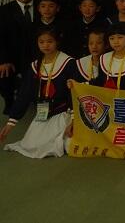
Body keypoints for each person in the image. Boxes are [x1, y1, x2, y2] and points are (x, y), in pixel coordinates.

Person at [0, 28, 76, 158]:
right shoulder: (35, 66)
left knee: (68, 145)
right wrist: (11, 122)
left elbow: (74, 94)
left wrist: (74, 120)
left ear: (57, 42)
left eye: (50, 41)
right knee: (32, 145)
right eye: (41, 42)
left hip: (64, 113)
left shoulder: (68, 63)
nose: (45, 45)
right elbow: (24, 94)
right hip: (43, 113)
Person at [0, 0, 39, 115]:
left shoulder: (43, 7)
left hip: (38, 54)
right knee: (3, 72)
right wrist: (3, 60)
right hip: (13, 56)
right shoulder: (4, 11)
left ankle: (38, 99)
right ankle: (9, 101)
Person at [90, 23, 125, 91]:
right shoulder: (104, 58)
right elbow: (100, 82)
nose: (116, 42)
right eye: (112, 38)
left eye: (120, 37)